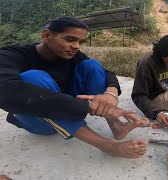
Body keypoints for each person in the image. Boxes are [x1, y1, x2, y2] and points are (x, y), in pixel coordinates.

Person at [0, 16, 148, 158]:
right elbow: (6, 92)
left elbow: (106, 73)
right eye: (70, 39)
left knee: (92, 65)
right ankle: (106, 146)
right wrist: (86, 106)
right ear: (46, 36)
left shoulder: (72, 55)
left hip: (70, 110)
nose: (76, 46)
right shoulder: (11, 55)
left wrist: (110, 95)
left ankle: (116, 126)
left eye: (80, 42)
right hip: (38, 120)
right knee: (33, 77)